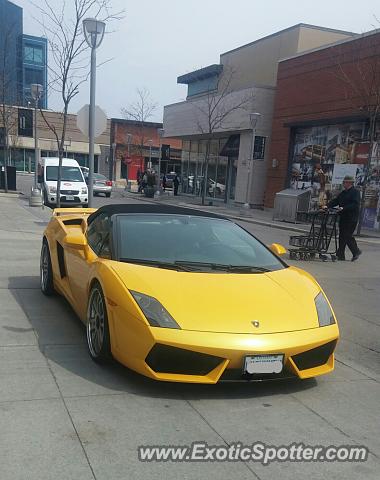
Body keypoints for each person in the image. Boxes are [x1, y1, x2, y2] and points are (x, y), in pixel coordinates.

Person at [326, 175, 362, 261]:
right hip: (343, 217)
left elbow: (355, 204)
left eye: (345, 182)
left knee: (347, 235)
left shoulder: (355, 192)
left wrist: (344, 208)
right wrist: (327, 206)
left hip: (351, 218)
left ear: (349, 183)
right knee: (342, 236)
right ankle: (340, 255)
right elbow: (336, 201)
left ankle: (356, 251)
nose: (343, 183)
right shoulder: (343, 193)